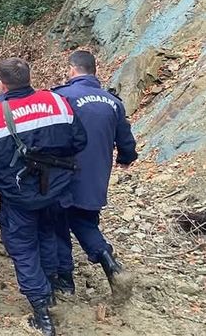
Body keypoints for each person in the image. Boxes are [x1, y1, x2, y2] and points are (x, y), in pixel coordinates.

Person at [0, 58, 86, 336]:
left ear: (1, 83)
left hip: (19, 195)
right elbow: (80, 140)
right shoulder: (58, 102)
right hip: (56, 189)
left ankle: (42, 312)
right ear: (29, 77)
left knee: (22, 248)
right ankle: (51, 285)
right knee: (48, 235)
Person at [51, 50, 138, 301]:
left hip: (63, 173)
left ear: (71, 70)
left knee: (58, 224)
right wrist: (125, 159)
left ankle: (65, 281)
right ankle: (110, 263)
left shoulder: (61, 97)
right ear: (94, 70)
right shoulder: (113, 102)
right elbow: (126, 143)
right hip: (97, 176)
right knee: (84, 222)